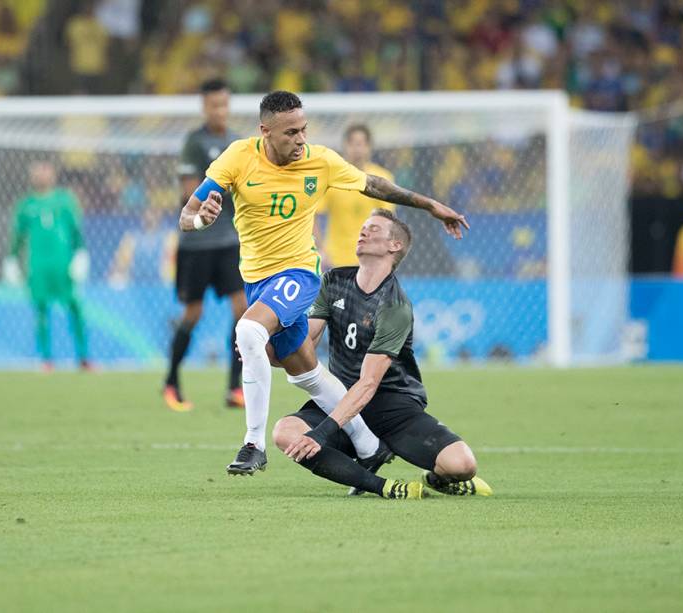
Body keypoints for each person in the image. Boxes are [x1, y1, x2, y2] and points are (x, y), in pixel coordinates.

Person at [179, 90, 468, 478]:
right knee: (306, 374)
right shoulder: (237, 157)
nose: (300, 140)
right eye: (290, 133)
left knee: (247, 330)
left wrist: (430, 205)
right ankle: (369, 447)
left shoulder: (321, 161)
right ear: (265, 131)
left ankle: (254, 444)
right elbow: (187, 215)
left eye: (304, 130)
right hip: (258, 281)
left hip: (299, 273)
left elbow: (375, 185)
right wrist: (202, 220)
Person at [275, 209, 492, 499]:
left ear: (395, 246)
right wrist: (269, 344)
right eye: (363, 228)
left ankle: (436, 480)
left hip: (394, 407)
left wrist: (323, 433)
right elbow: (306, 346)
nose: (363, 232)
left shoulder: (394, 306)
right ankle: (380, 485)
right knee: (284, 432)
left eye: (374, 229)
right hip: (340, 398)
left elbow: (368, 383)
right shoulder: (333, 281)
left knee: (462, 464)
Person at [164, 78, 247, 412]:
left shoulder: (237, 144)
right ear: (204, 107)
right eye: (214, 105)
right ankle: (171, 381)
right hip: (197, 241)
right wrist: (221, 188)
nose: (220, 110)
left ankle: (234, 387)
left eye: (225, 104)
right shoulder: (194, 143)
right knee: (193, 313)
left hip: (230, 241)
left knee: (242, 310)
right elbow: (189, 193)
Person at [3, 161, 90, 371]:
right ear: (32, 176)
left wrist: (80, 255)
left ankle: (84, 357)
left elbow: (76, 232)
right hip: (38, 267)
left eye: (45, 170)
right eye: (38, 171)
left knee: (75, 307)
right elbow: (17, 237)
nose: (42, 175)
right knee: (40, 310)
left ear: (53, 174)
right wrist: (11, 260)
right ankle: (46, 359)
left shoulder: (65, 201)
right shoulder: (25, 205)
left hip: (63, 266)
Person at [315, 124, 395, 269]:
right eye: (353, 143)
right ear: (345, 146)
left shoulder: (382, 178)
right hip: (336, 260)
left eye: (362, 144)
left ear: (369, 147)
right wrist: (320, 249)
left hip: (371, 259)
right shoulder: (332, 178)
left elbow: (388, 220)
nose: (357, 149)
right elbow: (314, 216)